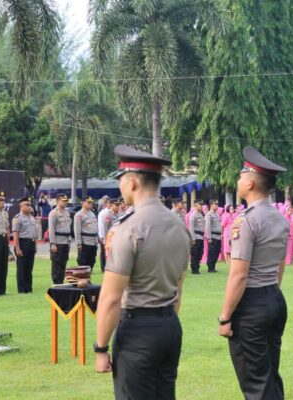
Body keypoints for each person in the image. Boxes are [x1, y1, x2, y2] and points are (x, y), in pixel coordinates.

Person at [94, 145, 190, 400]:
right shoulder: (179, 226)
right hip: (169, 325)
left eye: (121, 180)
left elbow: (111, 297)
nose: (120, 188)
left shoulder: (129, 228)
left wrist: (101, 347)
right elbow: (179, 287)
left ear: (133, 181)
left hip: (138, 329)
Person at [218, 146, 288, 400]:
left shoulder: (246, 220)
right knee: (269, 375)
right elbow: (280, 264)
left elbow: (238, 275)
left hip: (251, 305)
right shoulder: (280, 219)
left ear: (249, 182)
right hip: (273, 297)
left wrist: (225, 317)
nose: (237, 181)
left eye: (239, 176)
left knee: (257, 384)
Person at [12, 196, 37, 294]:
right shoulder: (17, 218)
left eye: (30, 205)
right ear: (21, 206)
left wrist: (35, 245)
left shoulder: (32, 217)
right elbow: (15, 234)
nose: (29, 207)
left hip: (31, 243)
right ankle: (21, 289)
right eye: (27, 205)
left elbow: (34, 232)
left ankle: (29, 288)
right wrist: (17, 248)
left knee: (29, 268)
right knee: (22, 268)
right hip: (22, 243)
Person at [49, 193, 71, 285]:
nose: (65, 202)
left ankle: (61, 282)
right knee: (56, 263)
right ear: (58, 201)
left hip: (65, 241)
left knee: (63, 263)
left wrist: (69, 241)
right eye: (63, 201)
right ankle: (56, 282)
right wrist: (53, 243)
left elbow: (68, 227)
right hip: (57, 241)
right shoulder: (54, 213)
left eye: (66, 201)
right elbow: (51, 229)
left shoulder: (67, 212)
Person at [75, 196, 99, 270]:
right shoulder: (79, 214)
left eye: (91, 202)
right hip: (85, 242)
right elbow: (77, 230)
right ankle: (83, 280)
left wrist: (97, 239)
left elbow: (95, 227)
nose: (90, 204)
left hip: (93, 241)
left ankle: (88, 280)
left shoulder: (92, 213)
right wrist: (78, 243)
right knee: (83, 262)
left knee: (91, 261)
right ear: (83, 203)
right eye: (88, 202)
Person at [204, 199, 223, 273]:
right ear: (211, 205)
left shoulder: (217, 214)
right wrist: (209, 238)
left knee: (217, 252)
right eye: (216, 204)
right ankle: (210, 267)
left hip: (218, 236)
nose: (217, 205)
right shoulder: (209, 214)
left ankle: (213, 266)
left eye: (218, 204)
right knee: (212, 252)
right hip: (213, 236)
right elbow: (208, 227)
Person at [188, 200, 205, 274]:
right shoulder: (193, 215)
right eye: (199, 204)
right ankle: (194, 269)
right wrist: (193, 239)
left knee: (200, 253)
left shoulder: (201, 214)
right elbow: (191, 227)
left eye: (201, 205)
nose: (201, 206)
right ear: (195, 205)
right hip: (196, 236)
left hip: (201, 236)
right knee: (195, 253)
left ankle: (197, 268)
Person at [98, 197, 114, 272]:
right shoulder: (103, 213)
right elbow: (101, 226)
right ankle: (103, 267)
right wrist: (102, 237)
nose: (111, 205)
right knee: (104, 253)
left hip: (111, 237)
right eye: (110, 203)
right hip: (104, 236)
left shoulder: (112, 212)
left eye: (112, 203)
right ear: (106, 204)